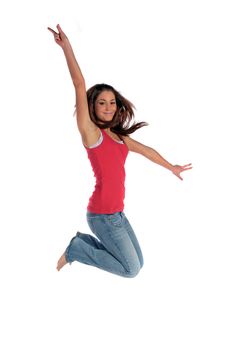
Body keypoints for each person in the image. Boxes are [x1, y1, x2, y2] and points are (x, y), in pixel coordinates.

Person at [47, 24, 192, 278]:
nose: (108, 107)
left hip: (117, 214)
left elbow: (146, 150)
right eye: (102, 102)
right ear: (92, 106)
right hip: (101, 215)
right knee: (131, 269)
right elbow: (79, 84)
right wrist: (66, 47)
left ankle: (81, 244)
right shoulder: (92, 134)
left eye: (112, 102)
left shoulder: (119, 138)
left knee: (140, 262)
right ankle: (76, 250)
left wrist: (172, 167)